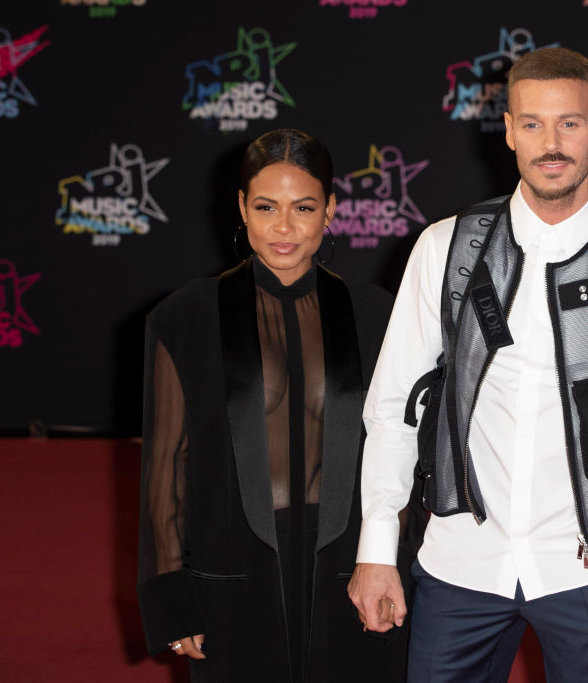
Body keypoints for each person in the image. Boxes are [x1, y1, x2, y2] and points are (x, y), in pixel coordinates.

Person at [348, 48, 588, 682]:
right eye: (533, 124)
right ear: (509, 130)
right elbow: (393, 406)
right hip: (459, 565)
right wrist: (378, 548)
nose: (552, 143)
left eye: (569, 123)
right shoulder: (445, 248)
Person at [137, 128, 421, 681]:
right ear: (242, 208)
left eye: (304, 207)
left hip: (350, 569)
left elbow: (406, 446)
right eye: (266, 206)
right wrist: (173, 593)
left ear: (331, 210)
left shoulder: (376, 315)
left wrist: (395, 566)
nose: (284, 228)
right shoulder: (185, 318)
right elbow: (165, 464)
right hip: (231, 573)